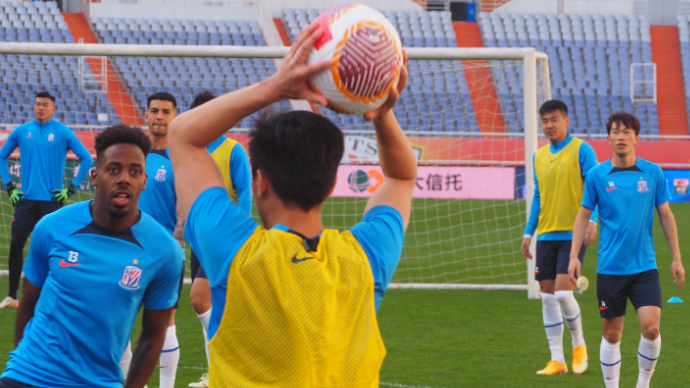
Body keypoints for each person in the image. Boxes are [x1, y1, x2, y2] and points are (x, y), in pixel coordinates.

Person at [168, 24, 415, 387]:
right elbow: (401, 178)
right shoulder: (364, 257)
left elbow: (182, 135)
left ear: (260, 180)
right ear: (331, 185)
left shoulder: (235, 251)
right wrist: (381, 113)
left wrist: (275, 87)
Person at [0, 124, 183, 388]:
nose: (124, 178)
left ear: (144, 180)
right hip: (28, 376)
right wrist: (24, 369)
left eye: (134, 171)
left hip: (99, 382)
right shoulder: (52, 228)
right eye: (113, 169)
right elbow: (28, 304)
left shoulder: (164, 251)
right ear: (95, 176)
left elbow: (153, 336)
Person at [569, 112, 685, 388]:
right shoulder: (597, 175)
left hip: (644, 266)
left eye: (626, 132)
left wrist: (677, 258)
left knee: (652, 328)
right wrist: (574, 256)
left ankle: (643, 384)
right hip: (610, 268)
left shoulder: (653, 172)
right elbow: (583, 215)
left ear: (637, 137)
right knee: (611, 334)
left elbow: (666, 216)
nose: (621, 137)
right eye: (616, 132)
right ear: (608, 137)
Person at [521, 100, 599, 375]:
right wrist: (529, 232)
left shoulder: (582, 149)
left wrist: (592, 219)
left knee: (564, 293)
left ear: (566, 121)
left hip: (573, 235)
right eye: (545, 121)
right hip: (546, 235)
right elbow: (539, 197)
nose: (549, 126)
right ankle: (557, 359)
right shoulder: (538, 156)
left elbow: (595, 186)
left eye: (554, 120)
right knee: (547, 297)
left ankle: (579, 346)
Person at [0, 91, 93, 309]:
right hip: (26, 200)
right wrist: (10, 186)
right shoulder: (22, 131)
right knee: (16, 244)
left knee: (52, 249)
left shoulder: (62, 132)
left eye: (45, 105)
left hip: (52, 202)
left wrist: (70, 189)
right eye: (37, 104)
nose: (40, 107)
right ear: (33, 107)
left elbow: (87, 159)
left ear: (53, 109)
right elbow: (2, 155)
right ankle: (12, 296)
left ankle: (52, 295)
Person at [184, 91, 252, 388]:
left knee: (199, 300)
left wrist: (237, 236)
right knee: (212, 307)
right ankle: (218, 375)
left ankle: (223, 372)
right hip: (197, 239)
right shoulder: (189, 151)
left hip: (224, 240)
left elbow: (246, 195)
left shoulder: (234, 150)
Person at [119, 92, 182, 388]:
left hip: (164, 253)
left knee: (164, 324)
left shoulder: (181, 158)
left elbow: (188, 207)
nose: (159, 116)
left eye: (166, 112)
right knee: (119, 320)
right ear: (145, 115)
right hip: (127, 248)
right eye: (154, 111)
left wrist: (177, 244)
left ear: (174, 117)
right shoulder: (134, 156)